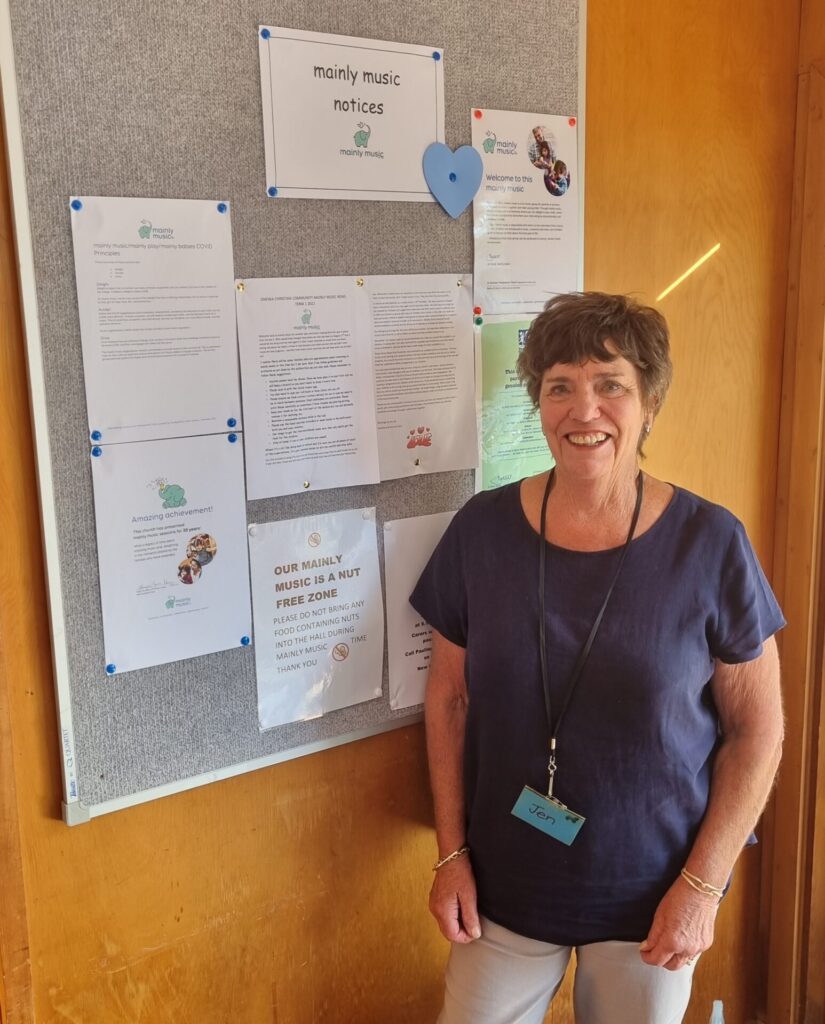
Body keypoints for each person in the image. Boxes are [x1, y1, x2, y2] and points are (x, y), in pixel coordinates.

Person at [410, 292, 784, 1024]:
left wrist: (702, 888)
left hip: (652, 898)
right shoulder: (480, 531)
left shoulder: (709, 543)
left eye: (610, 384)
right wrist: (450, 855)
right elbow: (449, 699)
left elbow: (757, 729)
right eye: (559, 386)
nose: (583, 411)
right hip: (501, 890)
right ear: (539, 402)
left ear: (648, 403)